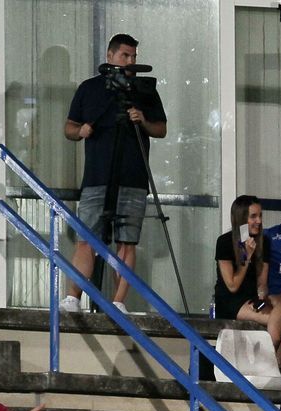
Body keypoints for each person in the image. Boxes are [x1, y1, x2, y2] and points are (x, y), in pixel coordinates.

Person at [59, 33, 167, 315]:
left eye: (133, 57)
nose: (130, 61)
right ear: (110, 56)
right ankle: (73, 297)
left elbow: (161, 129)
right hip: (97, 177)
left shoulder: (143, 90)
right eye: (124, 56)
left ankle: (118, 301)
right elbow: (69, 128)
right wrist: (81, 131)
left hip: (133, 177)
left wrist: (142, 119)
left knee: (127, 240)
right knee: (87, 239)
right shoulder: (90, 89)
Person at [213, 195, 281, 343]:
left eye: (260, 216)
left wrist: (263, 300)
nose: (259, 221)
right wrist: (246, 257)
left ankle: (279, 360)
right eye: (253, 216)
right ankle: (271, 359)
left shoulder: (264, 242)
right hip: (231, 302)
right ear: (241, 219)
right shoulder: (225, 242)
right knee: (276, 320)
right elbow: (232, 286)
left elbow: (262, 284)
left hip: (251, 299)